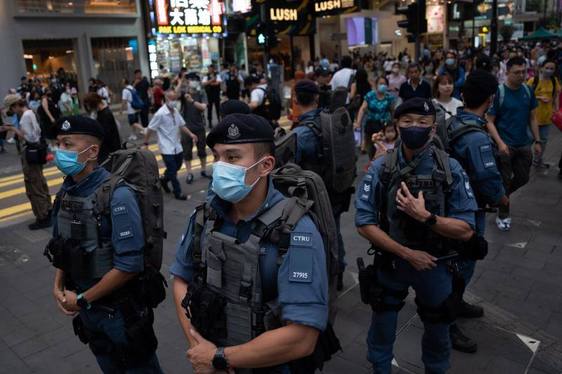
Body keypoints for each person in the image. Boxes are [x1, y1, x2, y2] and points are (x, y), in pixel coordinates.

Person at [170, 113, 329, 372]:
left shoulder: (297, 230)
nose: (219, 167)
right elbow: (180, 278)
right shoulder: (205, 216)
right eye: (217, 157)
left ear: (265, 165)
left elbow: (302, 336)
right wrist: (199, 348)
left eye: (232, 157)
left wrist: (218, 359)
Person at [355, 97, 478, 374]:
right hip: (392, 263)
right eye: (407, 121)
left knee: (438, 331)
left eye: (423, 123)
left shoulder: (450, 170)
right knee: (382, 329)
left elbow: (466, 228)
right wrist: (408, 254)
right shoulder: (381, 168)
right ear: (397, 126)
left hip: (435, 265)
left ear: (433, 129)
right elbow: (363, 223)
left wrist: (427, 218)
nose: (415, 127)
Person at [46, 116, 163, 373]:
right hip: (87, 311)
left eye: (67, 144)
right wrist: (58, 286)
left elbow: (129, 265)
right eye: (58, 144)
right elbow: (62, 245)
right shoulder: (66, 193)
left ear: (92, 151)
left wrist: (81, 299)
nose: (59, 152)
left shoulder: (117, 195)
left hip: (120, 312)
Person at [444, 70, 509, 353]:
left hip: (450, 206)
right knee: (461, 265)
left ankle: (455, 304)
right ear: (490, 99)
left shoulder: (452, 122)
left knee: (454, 264)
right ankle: (446, 323)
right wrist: (503, 201)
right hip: (468, 211)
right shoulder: (477, 137)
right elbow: (487, 178)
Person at [291, 79, 353, 290]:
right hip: (337, 189)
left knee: (315, 236)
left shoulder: (301, 133)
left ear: (295, 99)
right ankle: (340, 269)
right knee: (334, 230)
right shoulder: (331, 122)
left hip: (313, 197)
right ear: (317, 98)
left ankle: (324, 277)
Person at [486, 56, 542, 231]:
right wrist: (500, 143)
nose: (521, 75)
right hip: (505, 145)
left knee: (523, 178)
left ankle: (501, 195)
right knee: (505, 179)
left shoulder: (527, 90)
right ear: (507, 72)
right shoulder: (499, 92)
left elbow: (532, 117)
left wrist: (538, 140)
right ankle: (503, 214)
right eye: (517, 72)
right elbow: (489, 121)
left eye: (524, 71)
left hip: (523, 144)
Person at [2, 94, 52, 230]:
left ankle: (43, 216)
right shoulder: (31, 112)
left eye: (11, 108)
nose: (11, 112)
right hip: (37, 153)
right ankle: (48, 210)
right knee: (40, 182)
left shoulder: (24, 117)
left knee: (34, 185)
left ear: (15, 105)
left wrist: (12, 129)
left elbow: (30, 138)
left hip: (30, 154)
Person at [144, 90, 198, 200]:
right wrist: (146, 142)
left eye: (175, 99)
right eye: (172, 99)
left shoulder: (175, 111)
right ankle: (178, 193)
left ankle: (163, 180)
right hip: (166, 147)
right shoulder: (160, 114)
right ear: (166, 100)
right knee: (173, 170)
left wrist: (191, 134)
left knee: (177, 166)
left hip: (177, 146)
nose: (174, 101)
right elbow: (150, 128)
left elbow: (181, 125)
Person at [527, 59, 560, 168]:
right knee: (530, 139)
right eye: (547, 68)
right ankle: (524, 159)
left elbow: (556, 97)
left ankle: (538, 160)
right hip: (533, 117)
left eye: (552, 69)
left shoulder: (554, 81)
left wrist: (556, 109)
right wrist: (539, 97)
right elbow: (526, 95)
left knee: (543, 140)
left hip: (547, 117)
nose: (549, 70)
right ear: (541, 68)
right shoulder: (533, 80)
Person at [355, 76, 396, 159]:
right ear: (376, 85)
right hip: (371, 125)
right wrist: (358, 122)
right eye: (380, 83)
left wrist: (395, 124)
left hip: (384, 127)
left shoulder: (389, 97)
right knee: (371, 149)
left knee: (383, 148)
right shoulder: (370, 95)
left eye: (384, 84)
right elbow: (363, 109)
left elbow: (392, 111)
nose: (382, 85)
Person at [178, 76, 209, 184]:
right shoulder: (184, 93)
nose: (193, 82)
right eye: (190, 80)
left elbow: (203, 107)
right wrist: (180, 82)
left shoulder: (201, 93)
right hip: (186, 128)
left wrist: (192, 101)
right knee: (187, 151)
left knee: (202, 150)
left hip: (199, 126)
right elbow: (174, 95)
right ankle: (189, 173)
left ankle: (203, 170)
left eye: (195, 80)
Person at [83, 93, 121, 164]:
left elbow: (106, 135)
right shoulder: (101, 112)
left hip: (109, 151)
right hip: (108, 150)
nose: (88, 108)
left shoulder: (105, 114)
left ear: (93, 103)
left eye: (89, 105)